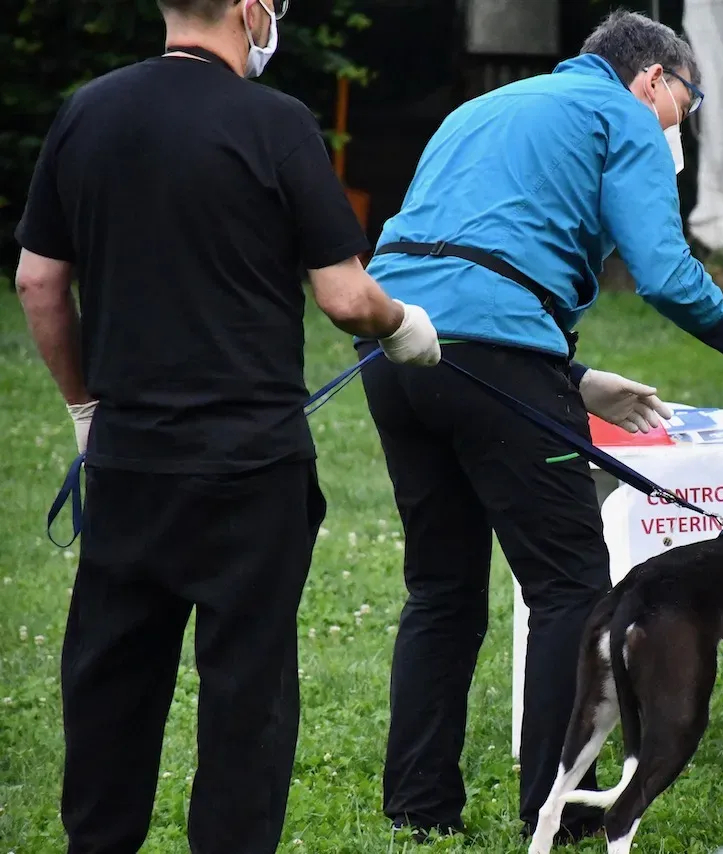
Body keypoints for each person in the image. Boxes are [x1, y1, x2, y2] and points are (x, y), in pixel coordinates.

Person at [13, 0, 441, 850]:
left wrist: (85, 407)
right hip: (251, 469)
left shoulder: (88, 111)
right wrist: (402, 326)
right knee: (248, 699)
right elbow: (345, 296)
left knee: (110, 686)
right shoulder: (276, 122)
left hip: (129, 460)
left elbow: (37, 281)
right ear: (249, 10)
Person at [356, 9, 723, 844]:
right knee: (570, 591)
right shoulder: (623, 114)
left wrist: (574, 380)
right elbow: (662, 270)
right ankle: (559, 812)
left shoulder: (484, 108)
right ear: (653, 79)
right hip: (494, 352)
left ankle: (417, 810)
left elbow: (473, 250)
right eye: (687, 103)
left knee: (441, 589)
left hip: (395, 347)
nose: (682, 125)